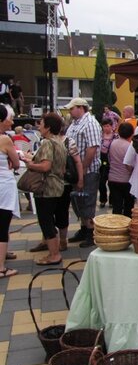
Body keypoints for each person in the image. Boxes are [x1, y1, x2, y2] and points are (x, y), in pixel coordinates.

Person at [21, 113, 67, 266]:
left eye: (41, 124)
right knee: (49, 220)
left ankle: (54, 255)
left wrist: (30, 164)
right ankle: (54, 251)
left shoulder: (47, 143)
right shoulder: (59, 141)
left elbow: (46, 166)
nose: (38, 126)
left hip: (47, 187)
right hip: (57, 186)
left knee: (46, 221)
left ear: (48, 127)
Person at [64, 97, 102, 248]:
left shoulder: (91, 123)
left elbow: (92, 148)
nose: (70, 111)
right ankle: (83, 228)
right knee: (78, 200)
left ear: (80, 108)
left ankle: (91, 232)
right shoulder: (75, 123)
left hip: (88, 169)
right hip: (75, 169)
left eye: (72, 108)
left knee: (87, 200)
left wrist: (84, 168)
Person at [0, 105, 20, 278]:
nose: (12, 121)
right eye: (9, 118)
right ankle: (1, 267)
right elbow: (17, 163)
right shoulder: (5, 140)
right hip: (3, 185)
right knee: (3, 223)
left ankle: (2, 253)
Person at [107, 122, 135, 216]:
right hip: (126, 180)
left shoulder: (113, 143)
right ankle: (126, 227)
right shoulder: (130, 146)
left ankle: (116, 227)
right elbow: (130, 165)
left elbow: (109, 159)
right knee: (128, 207)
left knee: (116, 207)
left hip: (112, 179)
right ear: (131, 133)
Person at [99, 118, 118, 208]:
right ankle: (103, 200)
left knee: (111, 182)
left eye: (108, 126)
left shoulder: (115, 136)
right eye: (104, 126)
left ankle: (112, 201)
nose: (106, 128)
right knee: (101, 182)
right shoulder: (99, 136)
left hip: (112, 160)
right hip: (101, 160)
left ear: (111, 126)